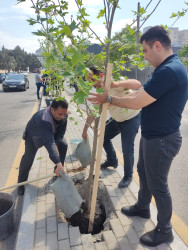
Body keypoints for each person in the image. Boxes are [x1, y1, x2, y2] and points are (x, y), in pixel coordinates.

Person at [87, 26, 188, 247]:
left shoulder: (169, 70)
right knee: (143, 172)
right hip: (153, 136)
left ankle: (165, 230)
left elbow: (137, 102)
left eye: (145, 50)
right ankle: (143, 207)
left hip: (162, 139)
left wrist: (110, 99)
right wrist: (120, 91)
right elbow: (140, 92)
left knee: (158, 185)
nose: (144, 55)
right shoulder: (165, 68)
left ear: (158, 46)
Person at [82, 67, 141, 188]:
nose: (92, 83)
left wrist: (115, 84)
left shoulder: (114, 81)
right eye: (89, 81)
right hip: (116, 119)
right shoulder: (99, 92)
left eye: (93, 79)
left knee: (127, 148)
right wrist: (85, 129)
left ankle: (128, 176)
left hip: (131, 119)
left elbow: (137, 84)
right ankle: (112, 160)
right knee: (103, 137)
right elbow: (93, 112)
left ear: (101, 76)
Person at [17, 99, 68, 196]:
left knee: (63, 145)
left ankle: (57, 172)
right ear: (52, 110)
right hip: (34, 136)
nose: (62, 117)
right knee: (28, 158)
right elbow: (49, 142)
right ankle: (21, 184)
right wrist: (58, 161)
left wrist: (56, 145)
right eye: (60, 114)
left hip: (50, 134)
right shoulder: (44, 119)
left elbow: (61, 133)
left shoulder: (63, 115)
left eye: (64, 114)